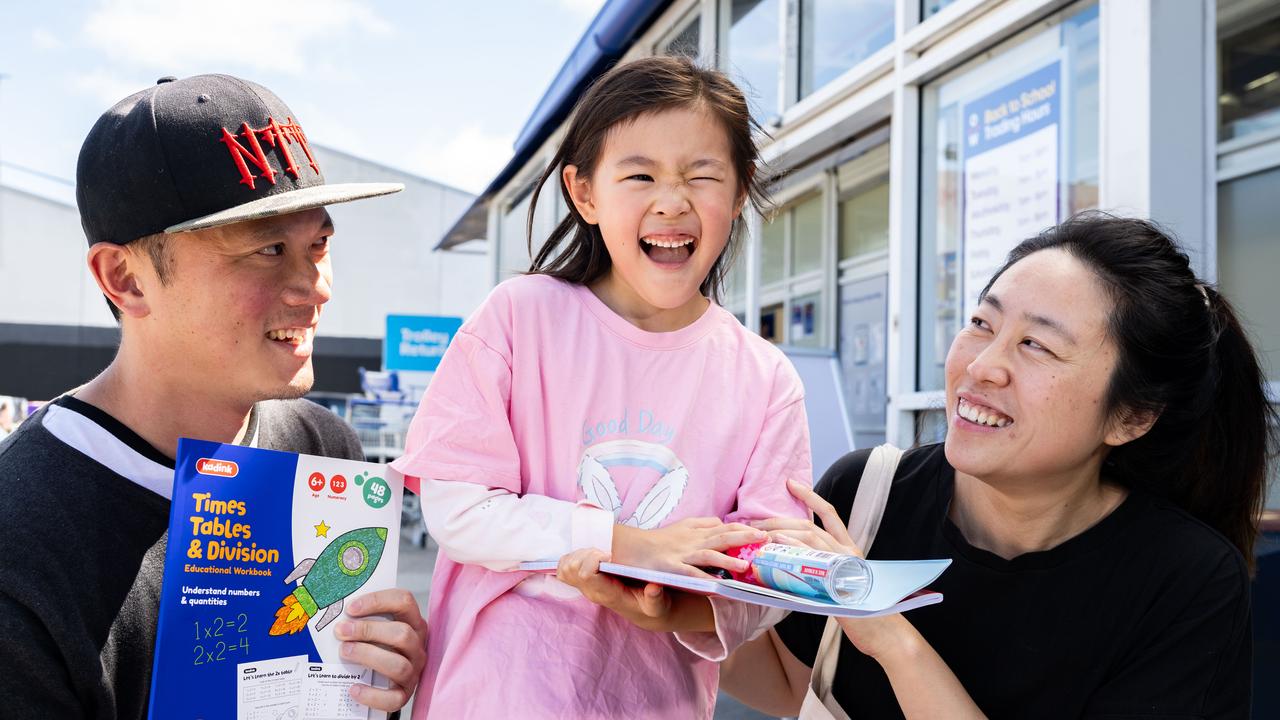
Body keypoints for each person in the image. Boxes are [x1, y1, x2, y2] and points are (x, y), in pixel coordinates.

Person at [561, 213, 1275, 717]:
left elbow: (875, 643)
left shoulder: (1184, 582)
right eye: (983, 323)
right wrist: (679, 616)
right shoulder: (867, 493)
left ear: (1131, 417)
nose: (982, 368)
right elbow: (793, 685)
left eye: (1038, 348)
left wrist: (891, 635)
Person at [390, 56, 811, 719]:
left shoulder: (766, 379)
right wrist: (629, 544)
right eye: (640, 175)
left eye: (701, 176)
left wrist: (672, 605)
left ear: (738, 192)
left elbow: (770, 570)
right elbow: (459, 511)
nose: (671, 200)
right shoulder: (517, 317)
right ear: (585, 193)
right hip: (494, 698)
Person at [0, 74, 428, 718]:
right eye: (266, 250)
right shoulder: (22, 542)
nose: (313, 287)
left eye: (318, 244)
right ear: (125, 278)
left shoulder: (321, 447)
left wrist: (376, 687)